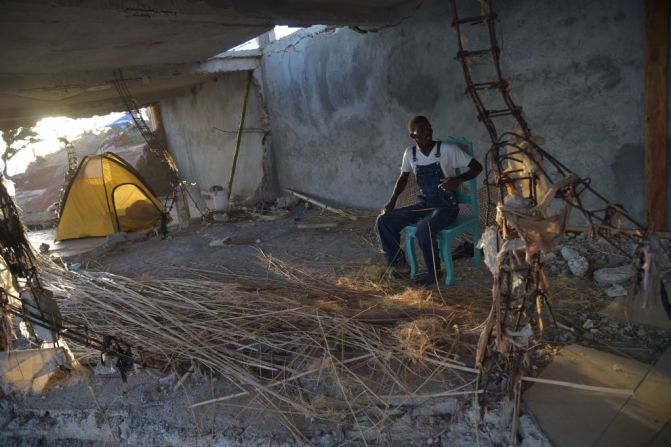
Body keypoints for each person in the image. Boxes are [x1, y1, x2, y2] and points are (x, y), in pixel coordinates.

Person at [376, 116, 482, 286]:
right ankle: (400, 266)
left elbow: (477, 167)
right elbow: (403, 178)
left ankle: (434, 273)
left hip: (446, 206)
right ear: (413, 135)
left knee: (423, 230)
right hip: (425, 204)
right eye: (422, 131)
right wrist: (392, 201)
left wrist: (457, 180)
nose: (428, 133)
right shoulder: (410, 154)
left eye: (429, 128)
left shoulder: (447, 149)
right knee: (384, 221)